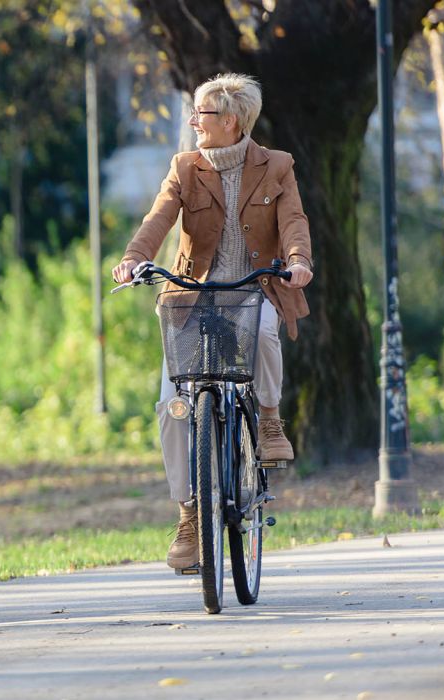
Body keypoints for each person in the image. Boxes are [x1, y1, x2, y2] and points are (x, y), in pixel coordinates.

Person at [110, 73, 314, 571]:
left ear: (229, 121)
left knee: (267, 328)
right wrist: (135, 257)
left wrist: (298, 260)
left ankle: (267, 420)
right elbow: (157, 219)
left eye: (199, 113)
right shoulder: (184, 167)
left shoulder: (278, 167)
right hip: (192, 298)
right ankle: (188, 514)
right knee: (170, 405)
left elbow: (294, 222)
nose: (192, 122)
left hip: (255, 291)